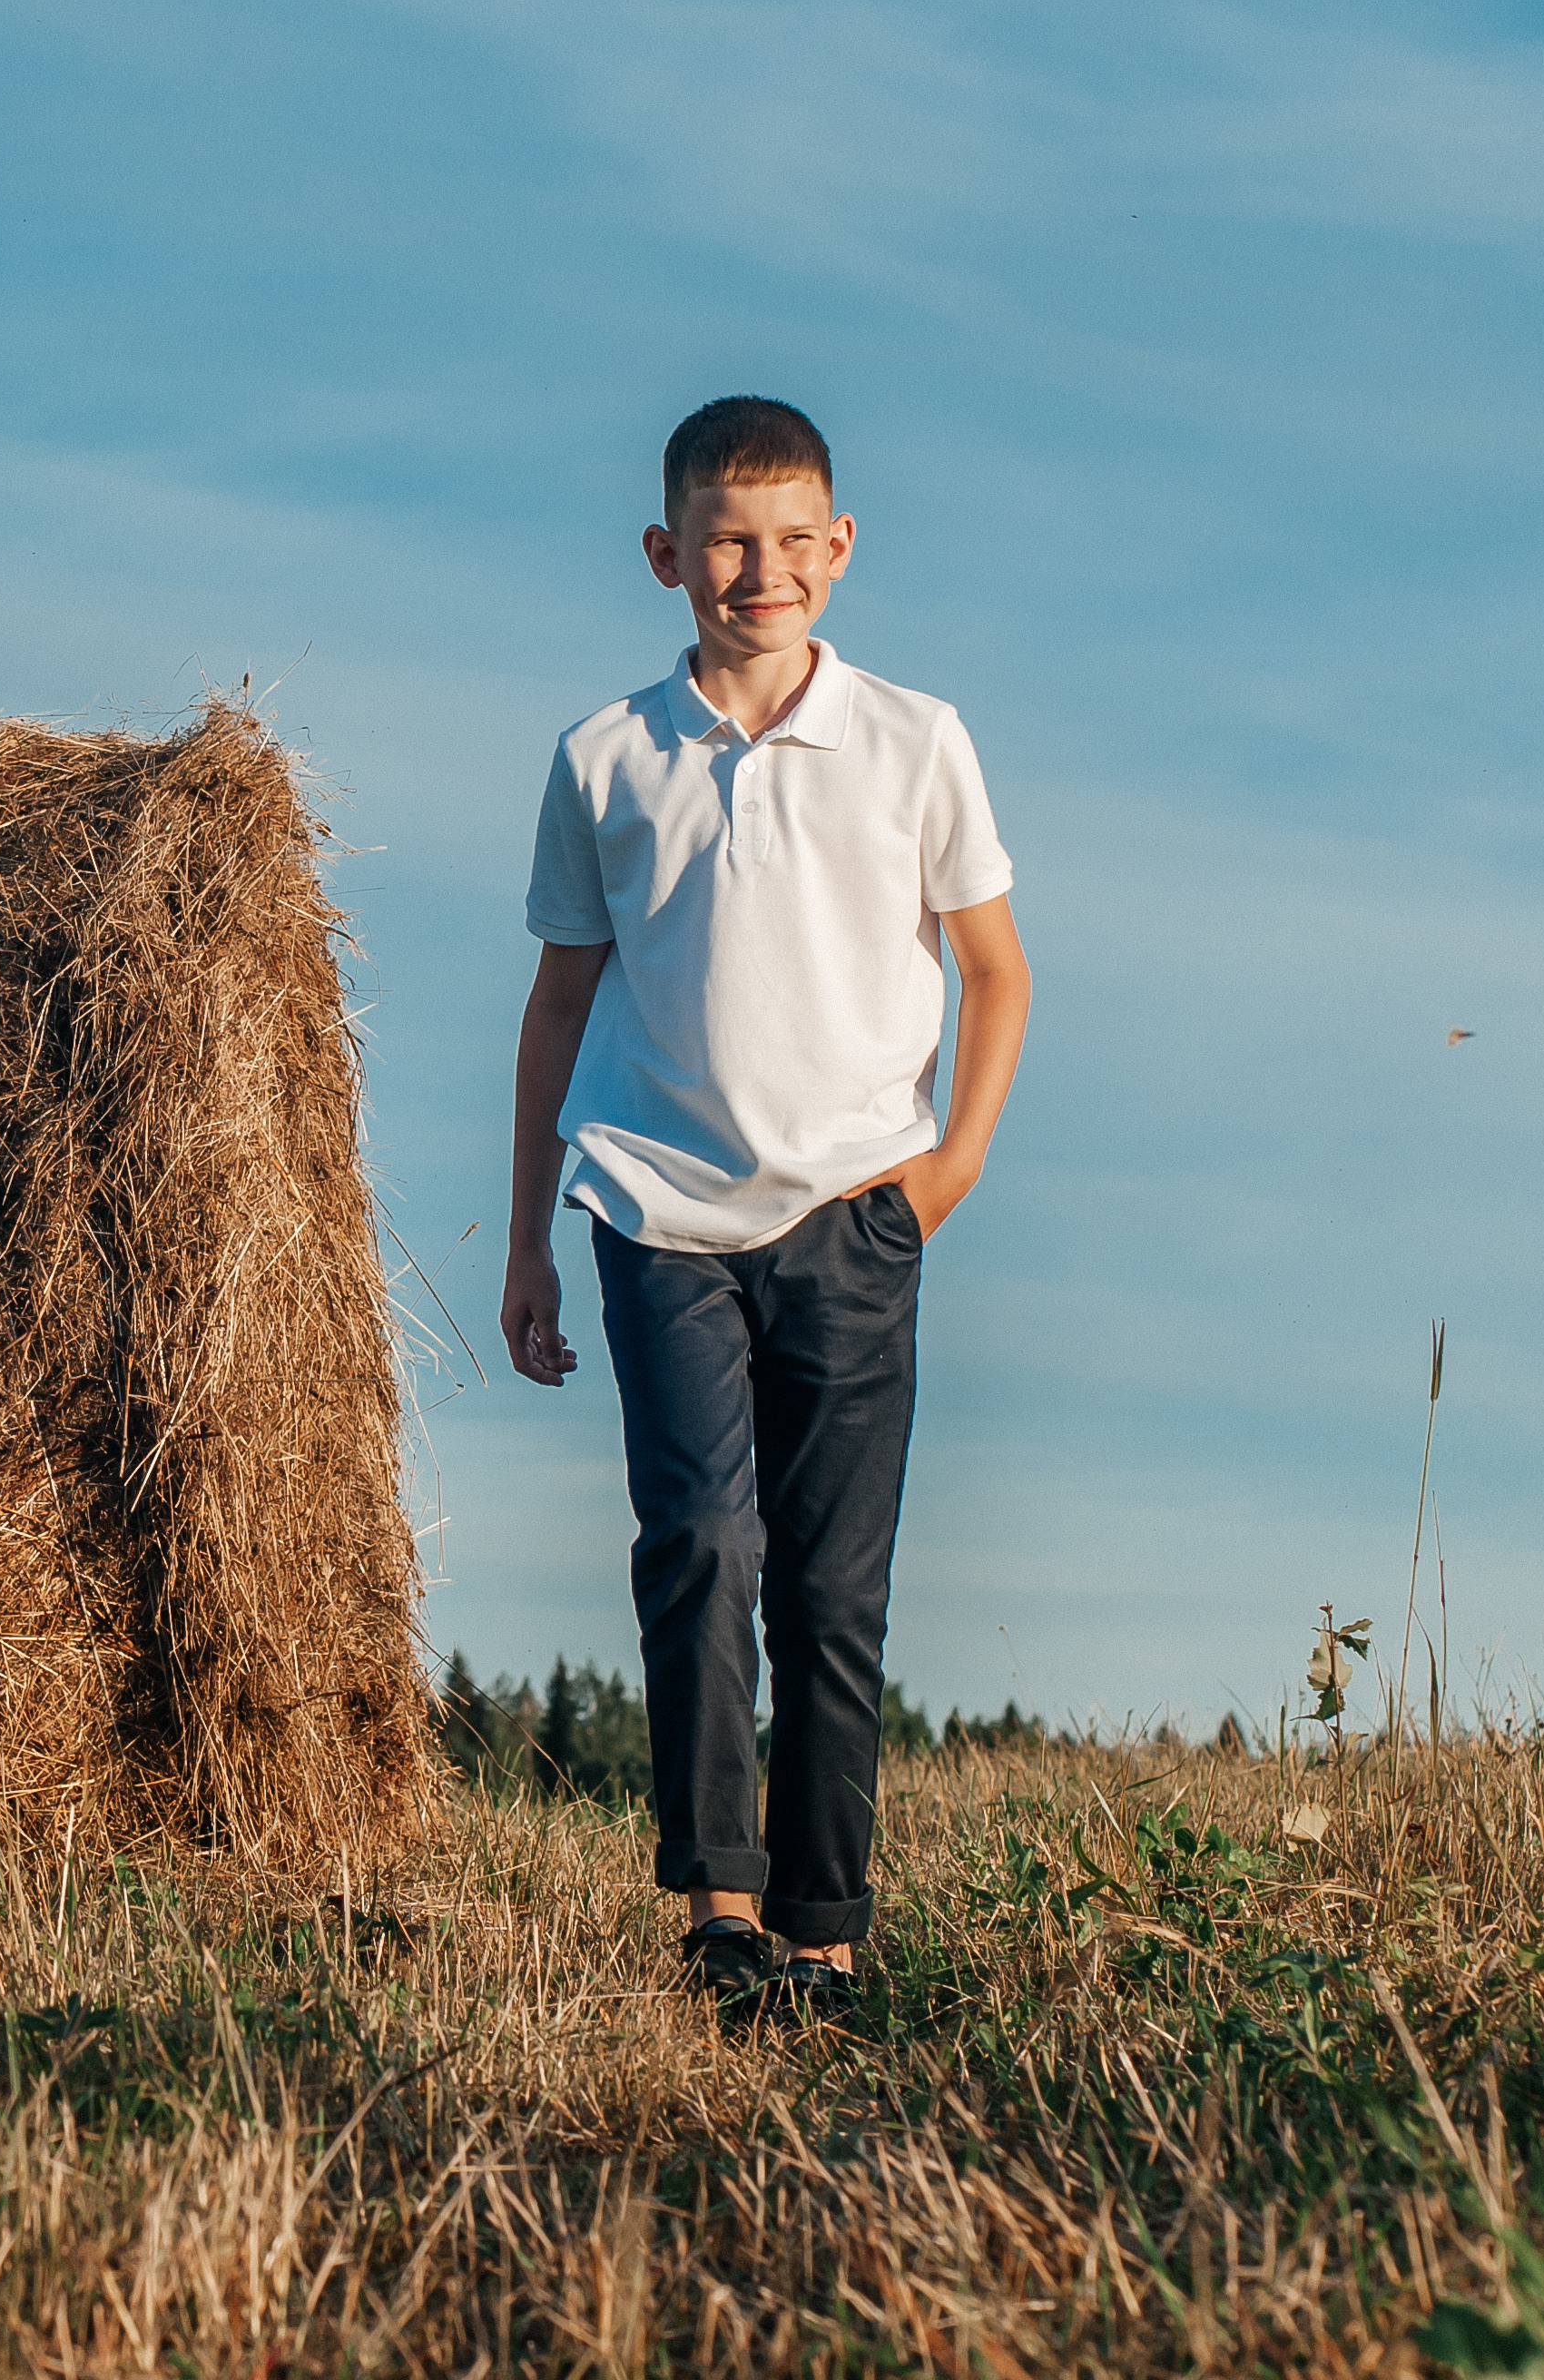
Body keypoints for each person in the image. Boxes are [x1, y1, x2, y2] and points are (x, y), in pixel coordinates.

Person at [501, 395, 1030, 2013]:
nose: (762, 570)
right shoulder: (605, 758)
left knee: (830, 1586)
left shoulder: (916, 740)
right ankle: (721, 1914)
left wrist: (948, 1170)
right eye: (727, 541)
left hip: (857, 1213)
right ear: (665, 554)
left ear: (839, 547)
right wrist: (527, 1239)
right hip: (655, 1209)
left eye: (794, 539)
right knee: (699, 1541)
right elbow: (558, 1005)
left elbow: (996, 971)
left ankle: (825, 1931)